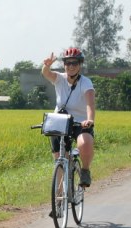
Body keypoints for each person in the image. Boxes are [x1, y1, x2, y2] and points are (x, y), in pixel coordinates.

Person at [41, 47, 95, 187]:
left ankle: (85, 170)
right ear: (64, 65)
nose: (71, 66)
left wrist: (89, 119)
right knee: (59, 160)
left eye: (74, 63)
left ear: (80, 65)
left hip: (80, 123)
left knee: (85, 142)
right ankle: (58, 202)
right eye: (68, 63)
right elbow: (47, 74)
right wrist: (46, 66)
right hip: (60, 123)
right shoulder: (59, 79)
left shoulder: (86, 83)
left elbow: (90, 104)